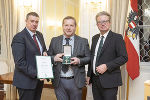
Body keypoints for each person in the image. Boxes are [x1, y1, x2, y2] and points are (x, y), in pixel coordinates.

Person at [86, 11, 128, 100]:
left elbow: (124, 57)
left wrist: (107, 66)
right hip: (95, 80)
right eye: (99, 22)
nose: (102, 24)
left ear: (110, 23)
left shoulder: (117, 38)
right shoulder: (94, 38)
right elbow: (92, 58)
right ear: (97, 24)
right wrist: (89, 75)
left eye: (105, 21)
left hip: (110, 80)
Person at [48, 16, 90, 100]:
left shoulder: (83, 41)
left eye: (71, 25)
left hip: (76, 80)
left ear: (75, 27)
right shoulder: (54, 40)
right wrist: (54, 58)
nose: (68, 28)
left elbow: (89, 58)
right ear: (62, 26)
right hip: (59, 81)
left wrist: (79, 61)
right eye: (66, 25)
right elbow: (48, 57)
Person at [11, 12, 47, 100]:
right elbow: (20, 62)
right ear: (26, 21)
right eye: (32, 21)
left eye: (37, 22)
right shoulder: (19, 37)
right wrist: (37, 73)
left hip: (38, 81)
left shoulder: (39, 35)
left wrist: (45, 52)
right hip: (25, 82)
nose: (34, 24)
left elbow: (43, 49)